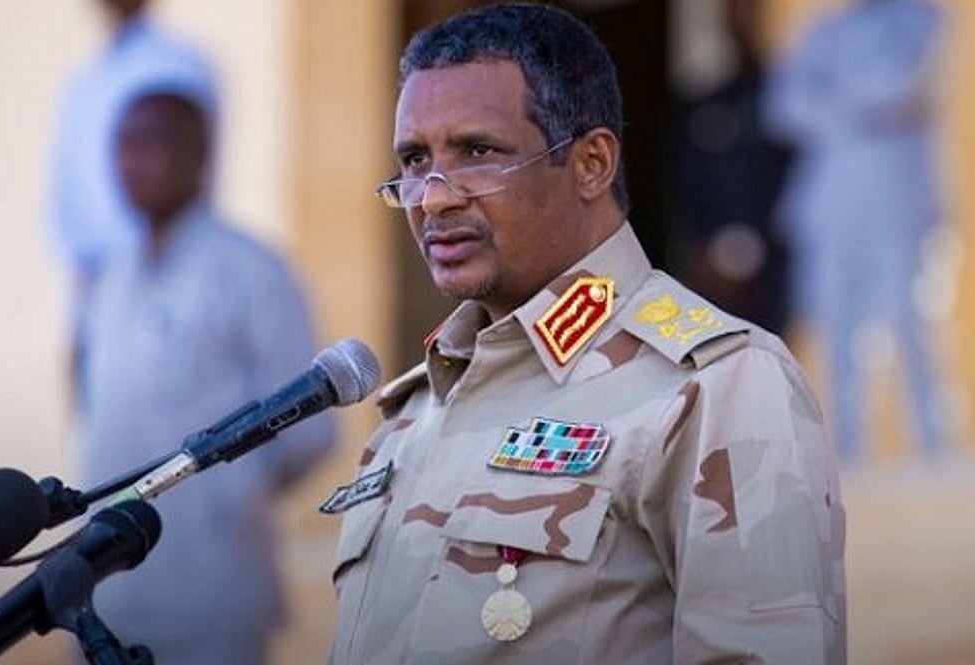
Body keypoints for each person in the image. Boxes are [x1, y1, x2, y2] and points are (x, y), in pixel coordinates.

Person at [326, 4, 845, 663]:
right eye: (413, 159)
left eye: (477, 152)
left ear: (592, 163)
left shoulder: (717, 386)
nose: (432, 197)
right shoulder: (411, 414)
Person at [76, 68, 337, 663]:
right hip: (104, 594)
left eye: (152, 143)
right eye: (124, 145)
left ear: (201, 156)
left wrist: (225, 497)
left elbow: (309, 428)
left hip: (212, 592)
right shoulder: (107, 276)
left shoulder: (250, 269)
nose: (133, 163)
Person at [764, 0, 947, 463]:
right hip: (832, 196)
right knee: (833, 319)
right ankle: (846, 445)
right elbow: (785, 107)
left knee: (910, 316)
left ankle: (930, 440)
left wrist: (833, 95)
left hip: (897, 192)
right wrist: (857, 107)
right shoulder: (824, 30)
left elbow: (896, 88)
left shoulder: (921, 18)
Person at [48, 0, 214, 401]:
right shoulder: (88, 79)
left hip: (165, 274)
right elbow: (72, 196)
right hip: (99, 285)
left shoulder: (178, 64)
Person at [667, 0, 793, 337]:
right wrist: (700, 251)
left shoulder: (796, 105)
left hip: (779, 277)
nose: (743, 20)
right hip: (711, 276)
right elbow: (683, 185)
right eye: (736, 9)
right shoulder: (705, 107)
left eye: (752, 10)